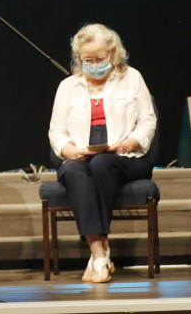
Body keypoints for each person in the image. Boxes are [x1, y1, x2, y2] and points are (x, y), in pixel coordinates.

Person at [47, 23, 156, 283]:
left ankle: (99, 255)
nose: (94, 63)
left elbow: (148, 121)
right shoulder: (67, 86)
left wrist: (129, 143)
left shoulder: (132, 78)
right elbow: (56, 131)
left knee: (103, 164)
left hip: (126, 158)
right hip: (81, 157)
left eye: (100, 58)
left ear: (113, 54)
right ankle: (99, 252)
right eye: (88, 59)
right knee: (73, 169)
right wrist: (71, 150)